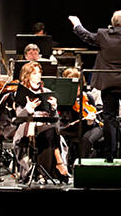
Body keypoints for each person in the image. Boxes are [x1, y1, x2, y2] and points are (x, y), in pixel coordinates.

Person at [69, 12, 121, 162]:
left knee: (109, 118)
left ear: (113, 22)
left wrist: (77, 24)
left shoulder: (104, 35)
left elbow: (86, 36)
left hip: (109, 84)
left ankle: (109, 155)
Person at [13, 61, 69, 183]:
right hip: (27, 125)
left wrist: (54, 107)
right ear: (27, 75)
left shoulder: (46, 90)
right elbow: (18, 116)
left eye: (39, 72)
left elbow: (54, 118)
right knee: (49, 132)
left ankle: (43, 174)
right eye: (34, 73)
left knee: (49, 132)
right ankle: (56, 165)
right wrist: (29, 109)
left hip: (46, 124)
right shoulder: (21, 92)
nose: (38, 75)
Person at [60, 67, 104, 167]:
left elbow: (94, 118)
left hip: (91, 127)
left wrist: (90, 121)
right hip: (72, 128)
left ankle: (83, 166)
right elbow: (64, 121)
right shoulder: (63, 100)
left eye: (79, 85)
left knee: (86, 139)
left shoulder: (88, 96)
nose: (77, 88)